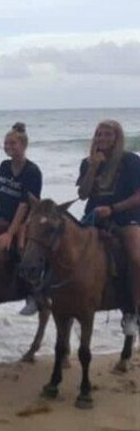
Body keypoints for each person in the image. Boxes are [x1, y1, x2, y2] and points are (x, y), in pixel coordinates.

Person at [76, 119, 140, 335]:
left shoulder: (130, 161)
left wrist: (112, 209)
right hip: (94, 218)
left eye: (107, 135)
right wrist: (93, 167)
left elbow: (138, 196)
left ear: (117, 138)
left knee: (135, 257)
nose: (102, 138)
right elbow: (83, 194)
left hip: (125, 218)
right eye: (99, 134)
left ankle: (132, 311)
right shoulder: (87, 162)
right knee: (60, 245)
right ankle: (48, 295)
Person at [0, 122, 43, 315]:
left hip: (24, 220)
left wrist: (10, 233)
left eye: (13, 143)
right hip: (2, 215)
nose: (8, 146)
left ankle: (33, 295)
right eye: (6, 143)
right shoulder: (4, 166)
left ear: (23, 145)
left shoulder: (32, 171)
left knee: (21, 250)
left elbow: (24, 204)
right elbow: (0, 191)